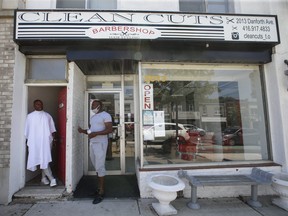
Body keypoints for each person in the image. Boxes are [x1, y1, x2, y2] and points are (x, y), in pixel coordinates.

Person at [78, 99, 113, 204]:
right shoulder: (93, 117)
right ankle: (98, 189)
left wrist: (96, 134)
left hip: (101, 144)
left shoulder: (106, 115)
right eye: (92, 105)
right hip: (92, 143)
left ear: (100, 106)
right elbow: (91, 131)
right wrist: (82, 131)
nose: (92, 106)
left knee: (100, 167)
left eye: (94, 105)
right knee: (96, 167)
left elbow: (109, 130)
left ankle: (101, 192)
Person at [24, 99, 57, 187]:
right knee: (42, 159)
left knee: (45, 158)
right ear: (34, 106)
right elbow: (27, 131)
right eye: (37, 104)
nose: (39, 105)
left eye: (41, 104)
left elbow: (52, 129)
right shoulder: (30, 116)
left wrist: (54, 140)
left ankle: (45, 178)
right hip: (35, 142)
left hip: (46, 142)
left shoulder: (47, 116)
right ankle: (51, 178)